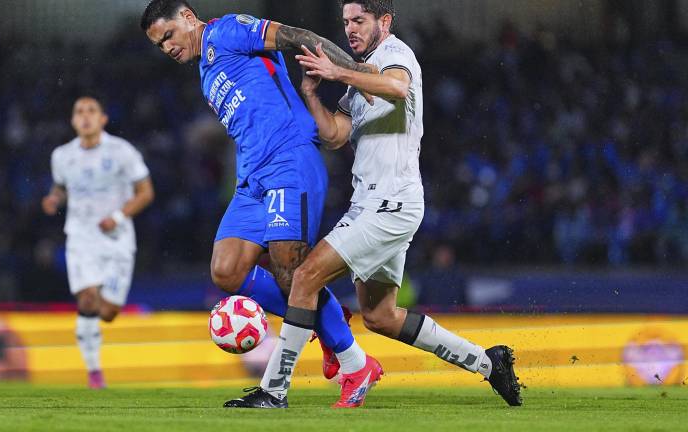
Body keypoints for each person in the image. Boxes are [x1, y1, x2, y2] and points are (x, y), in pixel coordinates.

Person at [245, 0, 523, 408]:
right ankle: (488, 362)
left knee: (304, 277)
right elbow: (336, 134)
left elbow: (397, 87)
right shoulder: (361, 74)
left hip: (389, 203)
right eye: (345, 22)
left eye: (359, 20)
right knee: (379, 315)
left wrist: (339, 72)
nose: (350, 29)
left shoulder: (395, 55)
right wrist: (310, 93)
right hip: (375, 202)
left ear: (384, 21)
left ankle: (273, 390)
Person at [139, 0, 378, 408]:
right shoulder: (206, 71)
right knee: (227, 270)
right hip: (251, 182)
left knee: (291, 275)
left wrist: (358, 73)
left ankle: (354, 364)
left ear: (187, 18)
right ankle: (326, 318)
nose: (167, 48)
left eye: (167, 37)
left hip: (289, 163)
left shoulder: (229, 30)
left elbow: (298, 37)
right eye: (159, 46)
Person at [42, 97, 155, 389]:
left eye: (91, 111)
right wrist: (55, 198)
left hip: (116, 238)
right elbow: (61, 186)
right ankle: (93, 372)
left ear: (103, 119)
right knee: (88, 299)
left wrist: (117, 216)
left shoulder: (121, 151)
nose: (85, 116)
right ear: (73, 121)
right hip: (81, 236)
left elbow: (145, 192)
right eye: (79, 111)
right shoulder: (62, 156)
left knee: (108, 312)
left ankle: (95, 352)